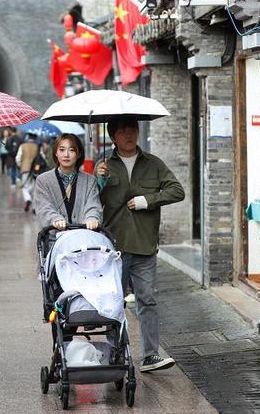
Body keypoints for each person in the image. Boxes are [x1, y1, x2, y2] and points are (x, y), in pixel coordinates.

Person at [95, 118, 185, 372]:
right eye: (122, 131)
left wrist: (148, 200)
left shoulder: (153, 164)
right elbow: (93, 202)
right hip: (114, 246)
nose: (128, 135)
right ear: (113, 136)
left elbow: (177, 191)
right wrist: (99, 181)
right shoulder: (105, 166)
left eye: (132, 130)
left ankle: (150, 355)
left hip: (145, 244)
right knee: (114, 302)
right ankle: (115, 353)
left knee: (147, 300)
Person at [33, 134, 101, 231]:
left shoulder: (89, 180)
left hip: (84, 236)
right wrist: (55, 219)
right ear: (56, 153)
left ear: (79, 154)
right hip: (54, 237)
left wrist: (92, 218)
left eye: (72, 150)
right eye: (62, 150)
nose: (66, 155)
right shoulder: (43, 180)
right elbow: (44, 207)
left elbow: (93, 206)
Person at [16, 133, 39, 212]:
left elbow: (18, 158)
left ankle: (28, 199)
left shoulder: (22, 146)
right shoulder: (37, 147)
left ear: (28, 137)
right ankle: (34, 207)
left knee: (25, 187)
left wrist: (20, 165)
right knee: (34, 189)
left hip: (25, 169)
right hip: (35, 170)